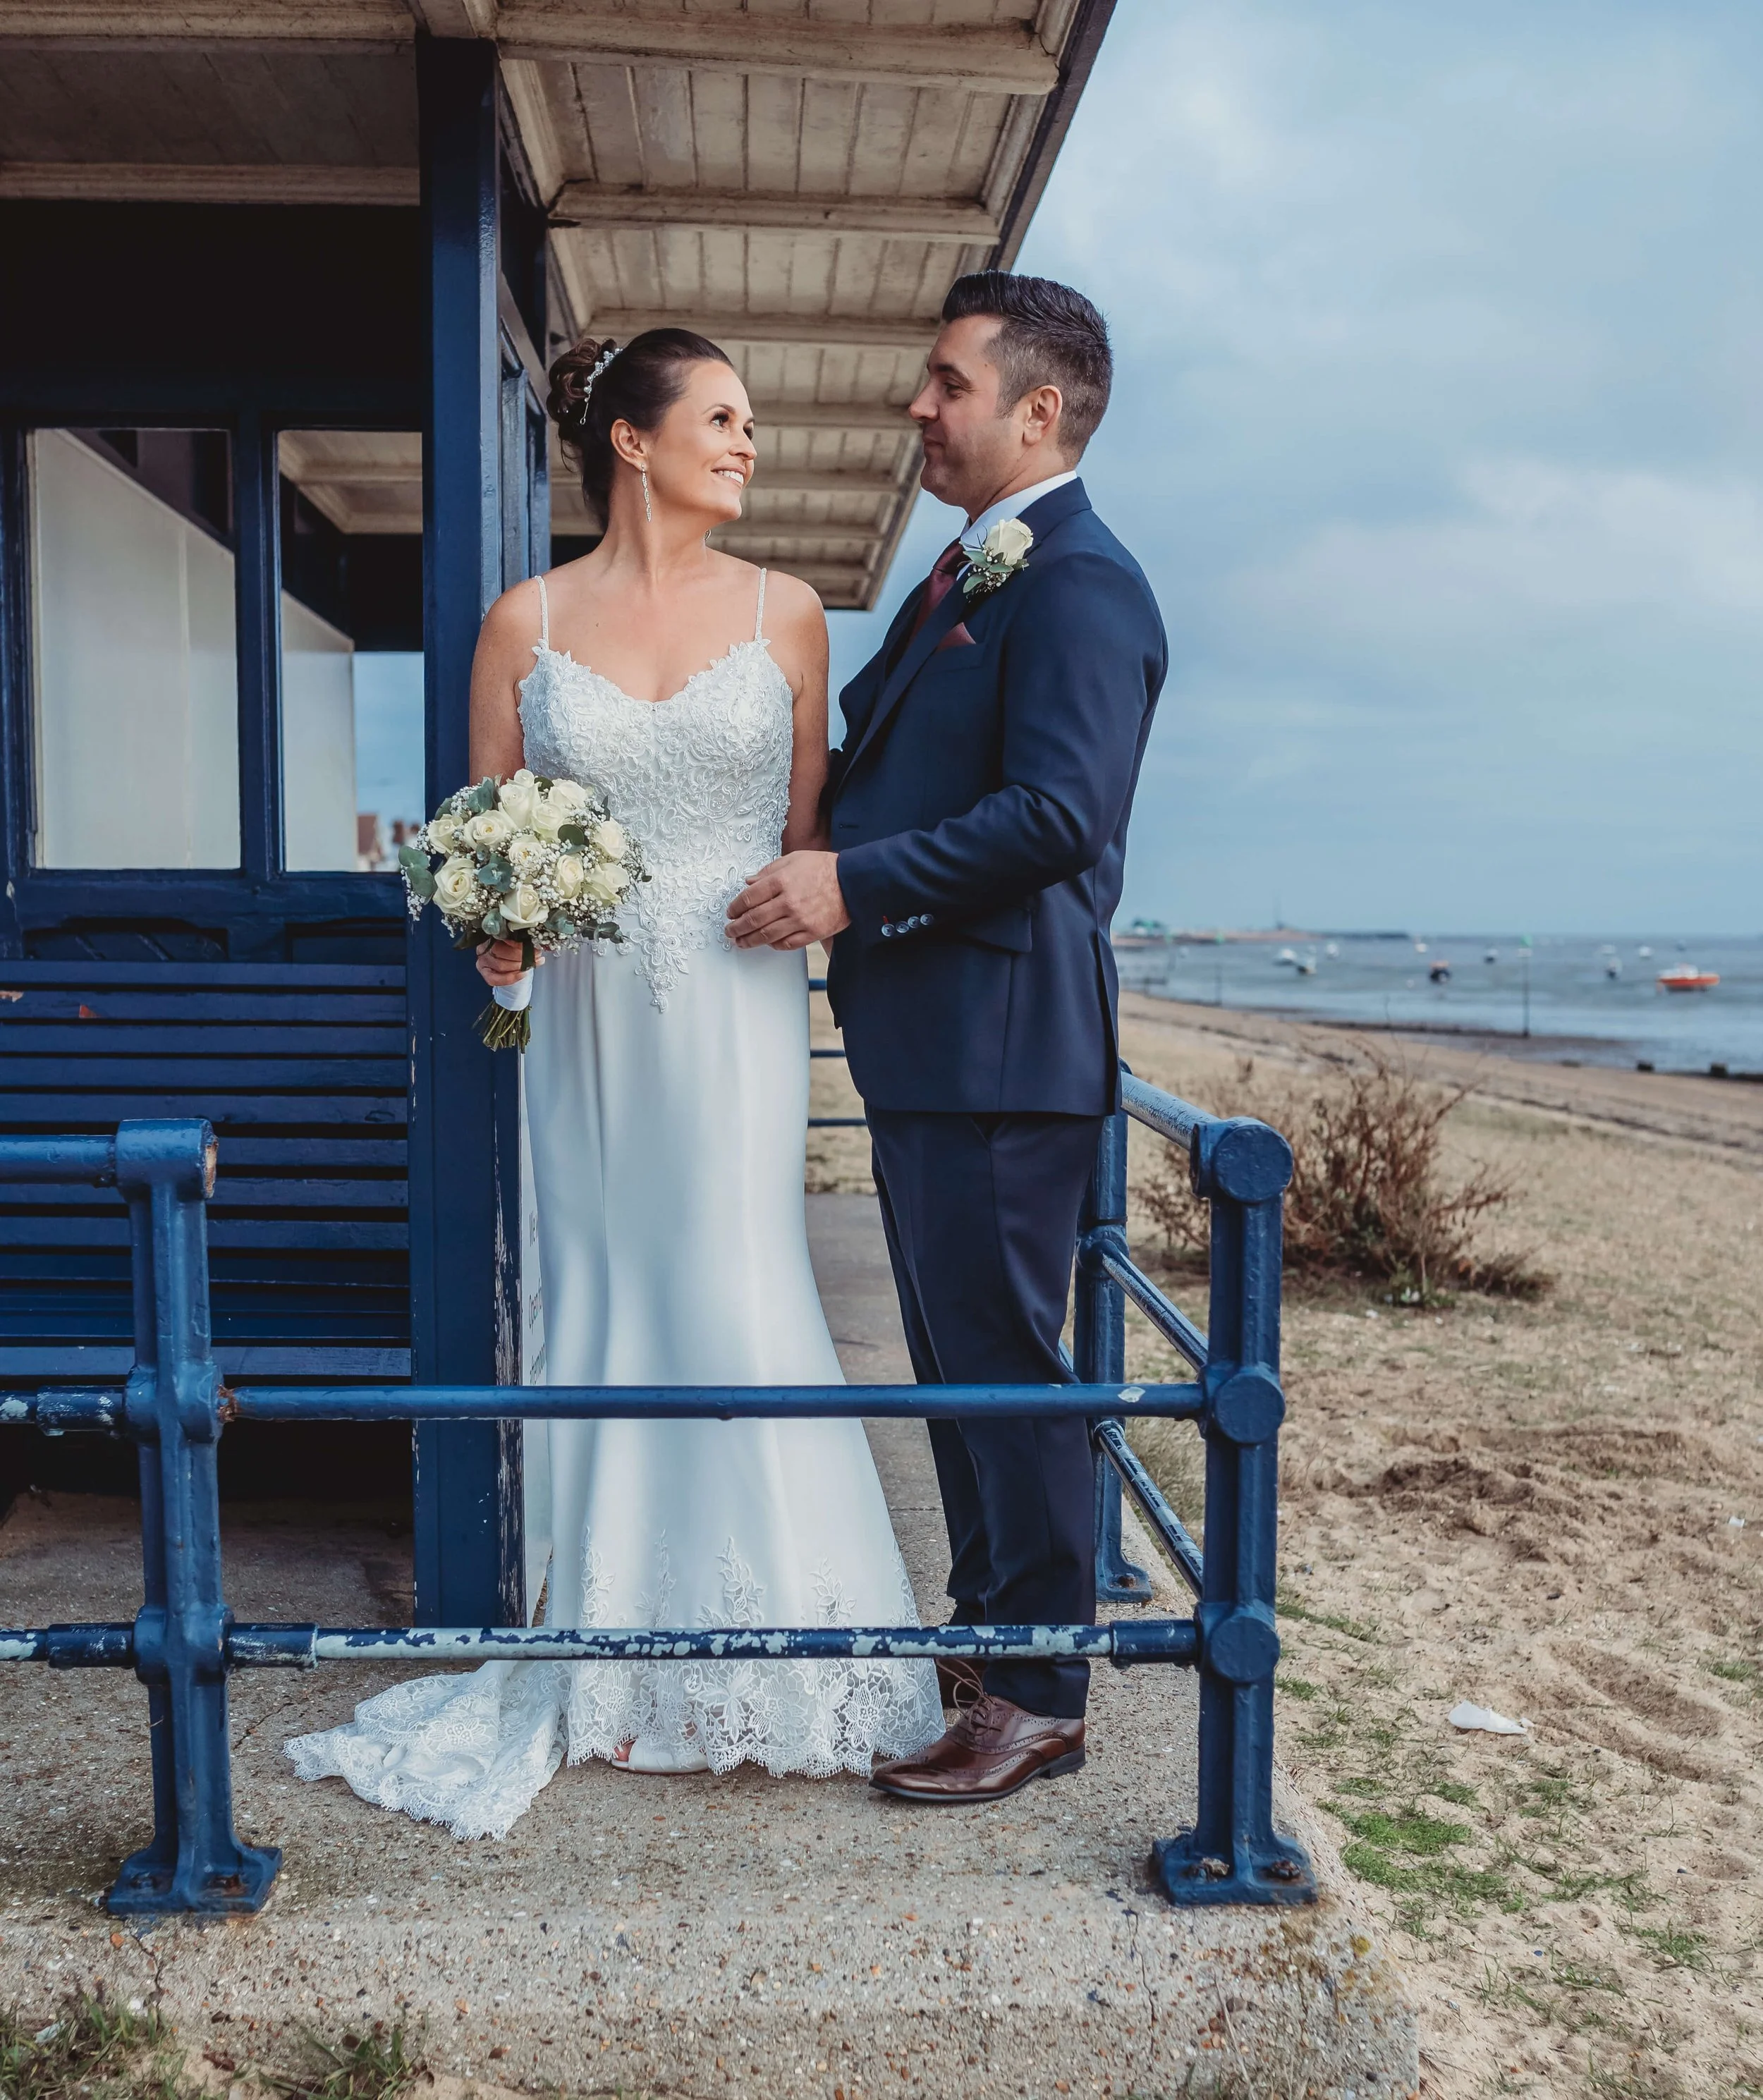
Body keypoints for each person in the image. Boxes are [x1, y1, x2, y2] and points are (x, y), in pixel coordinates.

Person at [286, 329, 941, 1838]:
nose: (749, 441)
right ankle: (602, 1661)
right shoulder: (524, 620)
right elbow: (480, 835)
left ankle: (776, 1646)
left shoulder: (787, 617)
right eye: (721, 416)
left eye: (751, 421)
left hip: (727, 999)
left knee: (731, 1270)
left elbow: (796, 835)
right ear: (631, 442)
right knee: (592, 1283)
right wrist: (502, 927)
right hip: (578, 1018)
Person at [727, 273, 1167, 1805]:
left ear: (1036, 409)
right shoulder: (972, 574)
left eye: (945, 383)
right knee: (956, 1372)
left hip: (1002, 1043)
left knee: (1007, 1373)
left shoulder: (1080, 585)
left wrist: (846, 882)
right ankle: (990, 1647)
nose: (917, 407)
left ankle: (1039, 1692)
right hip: (931, 1042)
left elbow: (1056, 816)